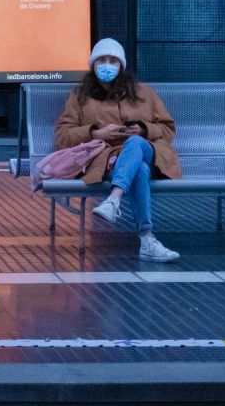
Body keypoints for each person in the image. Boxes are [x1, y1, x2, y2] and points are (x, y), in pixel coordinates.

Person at [51, 38, 182, 263]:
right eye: (102, 60)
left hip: (149, 152)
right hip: (108, 158)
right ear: (92, 64)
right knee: (138, 170)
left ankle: (113, 199)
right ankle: (147, 239)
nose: (107, 65)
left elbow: (167, 129)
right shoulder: (80, 96)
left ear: (121, 65)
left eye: (113, 60)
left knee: (135, 145)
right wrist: (95, 133)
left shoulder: (144, 93)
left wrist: (142, 129)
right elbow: (63, 135)